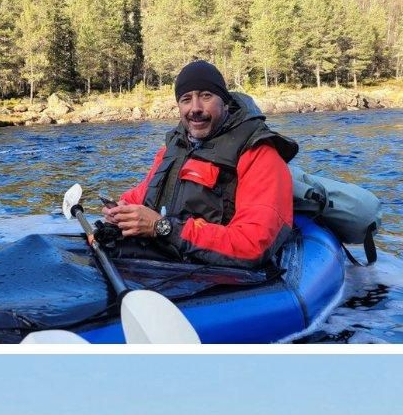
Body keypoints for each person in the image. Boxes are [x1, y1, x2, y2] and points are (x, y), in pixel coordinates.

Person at [106, 59, 298, 268]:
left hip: (214, 274)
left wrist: (162, 227)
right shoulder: (174, 147)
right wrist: (121, 210)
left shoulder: (259, 153)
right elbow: (143, 193)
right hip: (164, 261)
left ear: (224, 102)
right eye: (186, 99)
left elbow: (253, 244)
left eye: (206, 96)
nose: (195, 108)